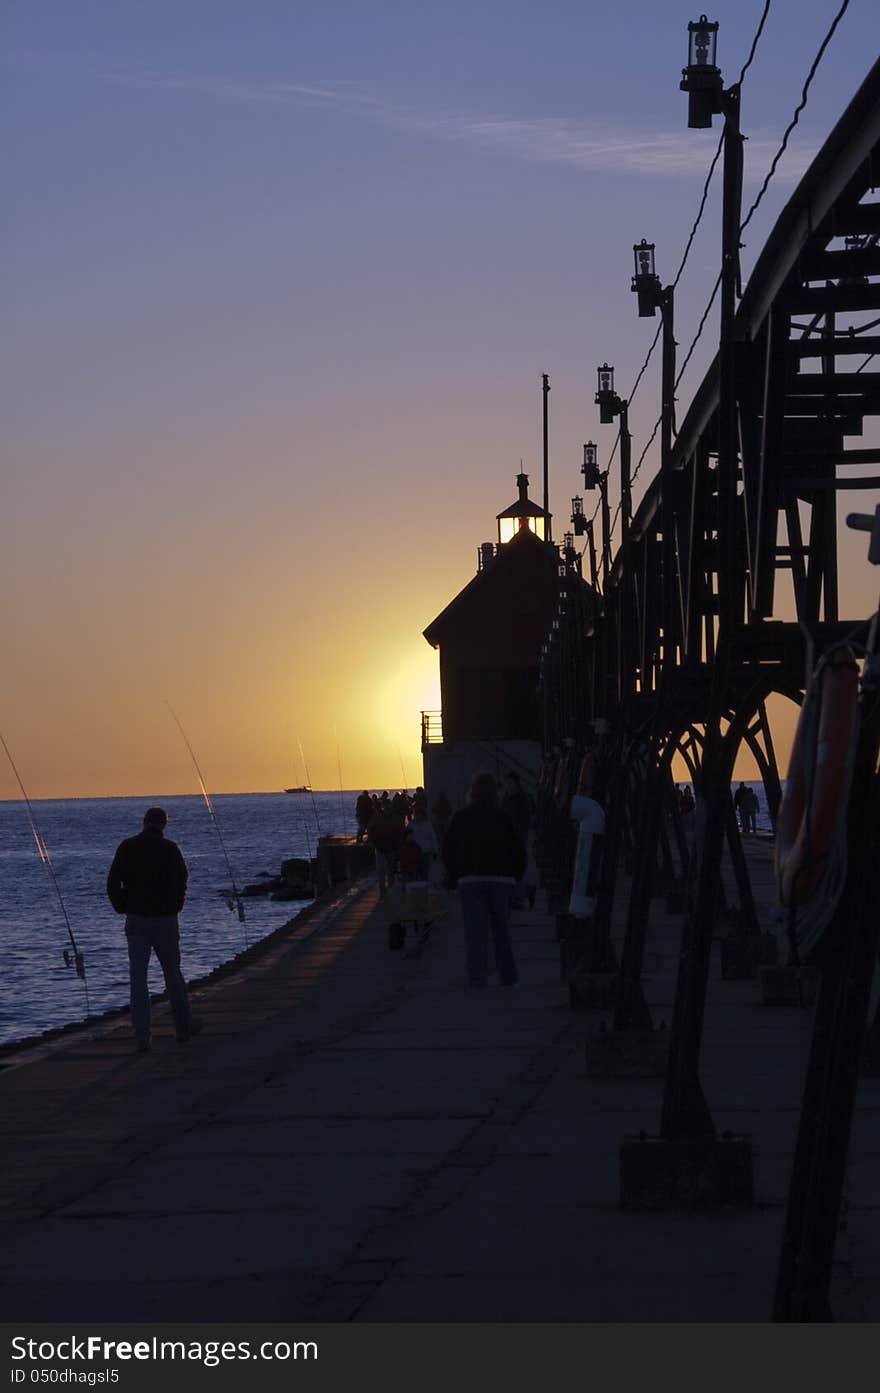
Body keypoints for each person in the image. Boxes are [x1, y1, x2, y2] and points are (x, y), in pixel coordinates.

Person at [106, 807, 198, 1053]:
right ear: (164, 824)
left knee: (138, 978)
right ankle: (183, 1027)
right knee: (173, 974)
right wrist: (176, 905)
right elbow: (182, 879)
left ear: (144, 822)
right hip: (165, 919)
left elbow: (113, 882)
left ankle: (142, 1036)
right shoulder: (170, 849)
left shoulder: (127, 847)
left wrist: (122, 907)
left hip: (137, 918)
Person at [442, 772, 527, 990]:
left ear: (472, 793)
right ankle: (509, 979)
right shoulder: (504, 818)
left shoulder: (460, 817)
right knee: (502, 933)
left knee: (475, 935)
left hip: (470, 881)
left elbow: (448, 850)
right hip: (501, 880)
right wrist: (516, 877)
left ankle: (478, 980)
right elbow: (518, 850)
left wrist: (453, 877)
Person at [501, 771, 536, 909]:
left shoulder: (522, 799)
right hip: (507, 839)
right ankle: (520, 894)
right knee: (510, 870)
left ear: (516, 782)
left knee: (515, 870)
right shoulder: (506, 798)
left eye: (510, 782)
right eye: (507, 782)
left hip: (517, 840)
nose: (508, 785)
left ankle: (519, 896)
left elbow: (524, 821)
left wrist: (520, 839)